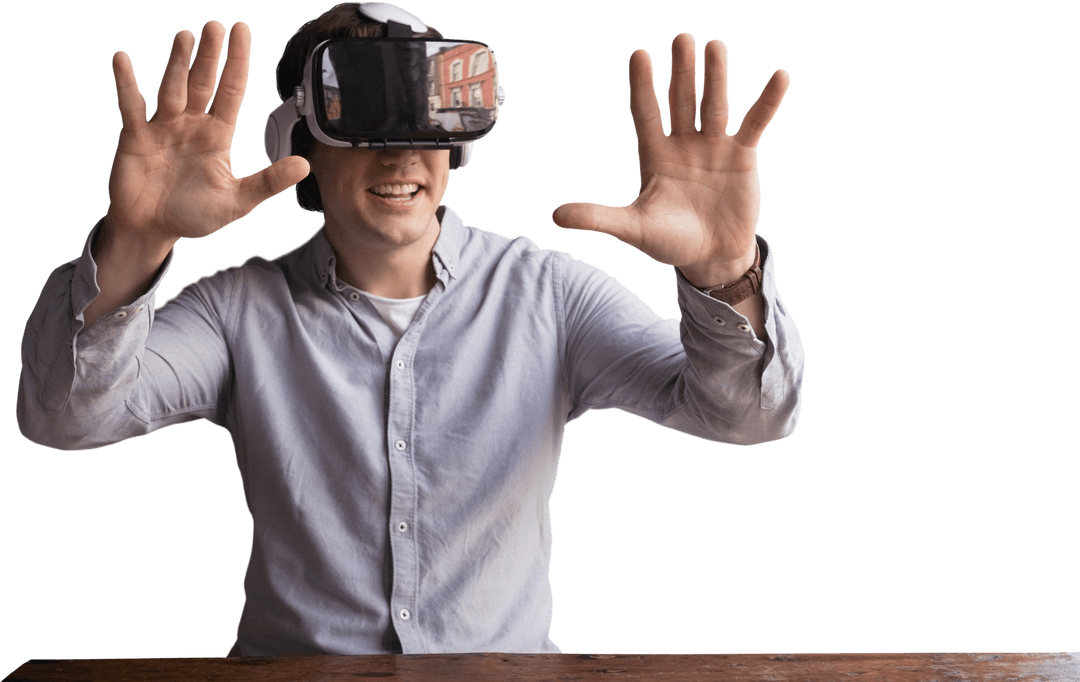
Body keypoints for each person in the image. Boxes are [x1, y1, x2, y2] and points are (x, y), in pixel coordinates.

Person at [16, 1, 803, 657]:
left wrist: (722, 273)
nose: (400, 154)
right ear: (296, 146)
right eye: (361, 121)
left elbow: (749, 414)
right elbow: (64, 416)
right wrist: (138, 238)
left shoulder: (548, 294)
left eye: (423, 121)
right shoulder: (241, 309)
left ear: (457, 140)